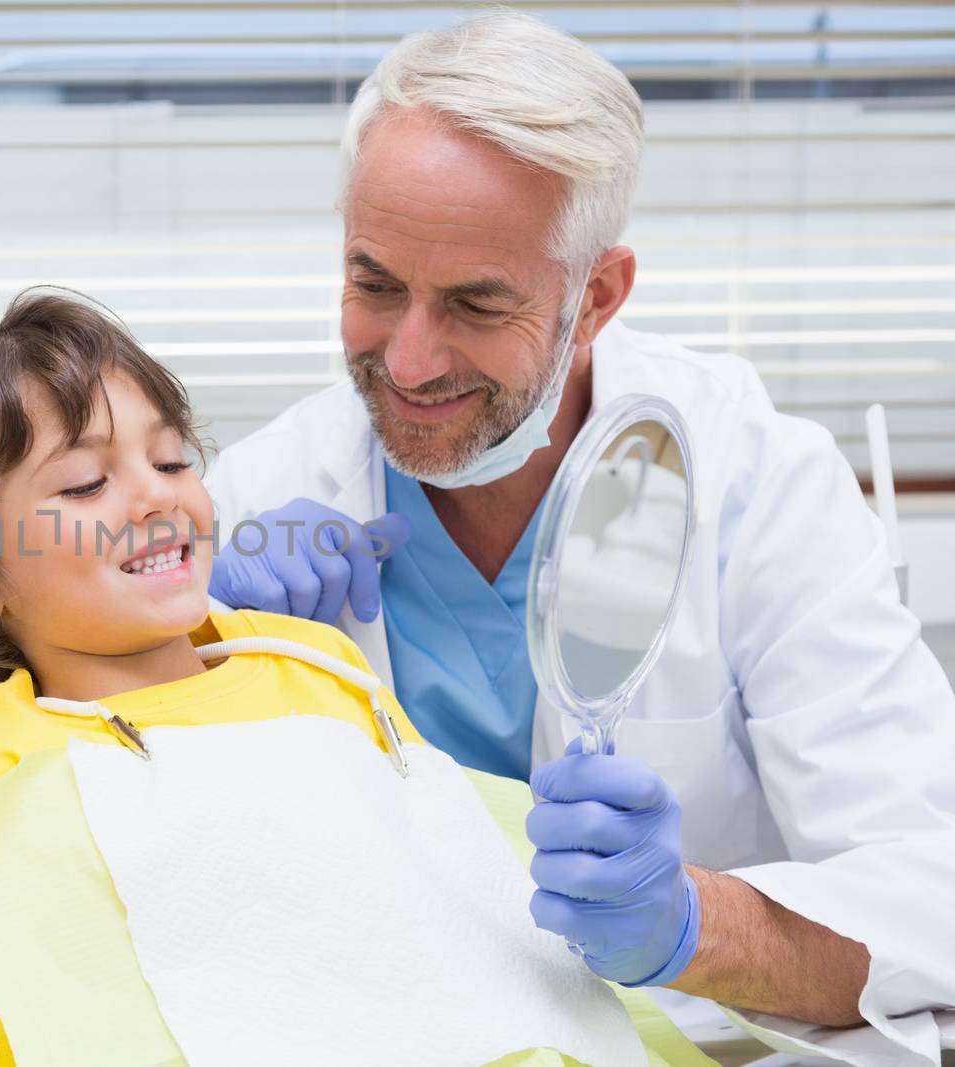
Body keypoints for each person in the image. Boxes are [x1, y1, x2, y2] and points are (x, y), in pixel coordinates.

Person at [204, 11, 955, 1065]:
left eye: (474, 303)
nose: (409, 361)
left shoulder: (754, 484)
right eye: (374, 283)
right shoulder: (261, 496)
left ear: (595, 295)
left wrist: (688, 926)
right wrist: (199, 654)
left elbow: (933, 897)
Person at [0, 291, 709, 1067]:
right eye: (83, 481)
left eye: (175, 461)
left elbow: (445, 870)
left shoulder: (312, 659)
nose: (155, 496)